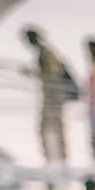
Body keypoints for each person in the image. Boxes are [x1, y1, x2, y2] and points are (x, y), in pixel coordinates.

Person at [21, 26, 70, 165]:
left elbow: (51, 74)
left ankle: (55, 158)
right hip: (54, 97)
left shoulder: (45, 53)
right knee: (54, 127)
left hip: (53, 97)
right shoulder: (47, 51)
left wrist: (32, 73)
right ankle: (58, 157)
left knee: (48, 127)